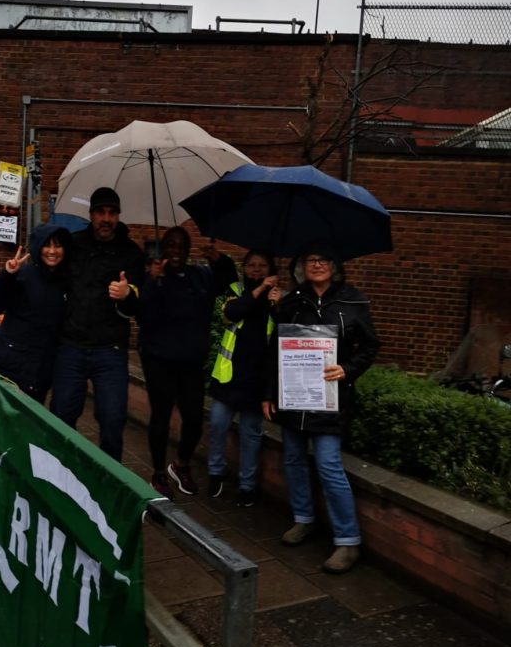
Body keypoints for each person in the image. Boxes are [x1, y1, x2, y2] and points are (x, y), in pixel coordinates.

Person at [263, 248, 379, 574]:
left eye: (323, 259)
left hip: (330, 398)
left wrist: (348, 368)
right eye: (310, 260)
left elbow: (370, 346)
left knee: (328, 464)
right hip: (294, 396)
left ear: (335, 265)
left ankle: (347, 540)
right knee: (293, 459)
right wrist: (268, 393)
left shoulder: (353, 301)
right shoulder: (290, 301)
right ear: (300, 267)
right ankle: (304, 519)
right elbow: (274, 350)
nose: (316, 265)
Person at [138, 226, 236, 499]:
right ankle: (158, 473)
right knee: (161, 415)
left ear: (188, 249)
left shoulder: (200, 276)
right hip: (159, 359)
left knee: (193, 417)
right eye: (170, 245)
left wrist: (218, 258)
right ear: (164, 248)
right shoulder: (155, 277)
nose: (176, 251)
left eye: (181, 246)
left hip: (191, 360)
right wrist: (151, 280)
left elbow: (228, 280)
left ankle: (180, 464)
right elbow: (142, 315)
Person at [50, 187, 145, 461]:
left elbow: (138, 304)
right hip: (71, 346)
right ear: (91, 215)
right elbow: (52, 276)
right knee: (61, 416)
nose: (106, 218)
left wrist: (128, 295)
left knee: (113, 420)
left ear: (118, 216)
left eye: (112, 213)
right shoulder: (73, 245)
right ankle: (58, 473)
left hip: (110, 350)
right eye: (101, 212)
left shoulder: (131, 253)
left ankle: (107, 483)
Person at [207, 250, 278, 507]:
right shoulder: (236, 289)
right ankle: (216, 472)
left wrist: (277, 303)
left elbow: (284, 330)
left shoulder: (277, 297)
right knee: (217, 424)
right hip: (229, 375)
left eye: (262, 265)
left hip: (258, 379)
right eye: (252, 265)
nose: (257, 270)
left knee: (251, 433)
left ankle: (247, 485)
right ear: (244, 268)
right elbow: (232, 313)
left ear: (271, 268)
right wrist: (259, 290)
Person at [0, 221, 71, 403]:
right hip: (10, 364)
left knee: (27, 424)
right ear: (39, 247)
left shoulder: (66, 281)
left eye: (58, 245)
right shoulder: (24, 274)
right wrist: (7, 275)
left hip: (40, 370)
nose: (52, 251)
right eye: (47, 245)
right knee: (1, 420)